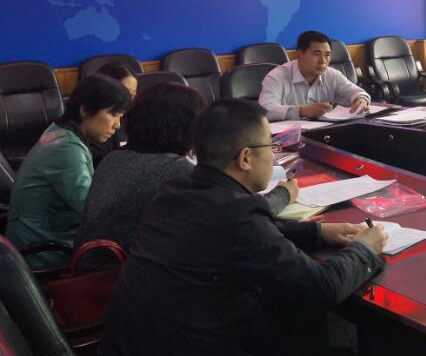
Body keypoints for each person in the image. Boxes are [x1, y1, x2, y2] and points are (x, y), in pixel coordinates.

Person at [98, 98, 387, 356]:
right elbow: (323, 286)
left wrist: (318, 232)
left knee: (287, 320)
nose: (274, 155)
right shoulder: (237, 214)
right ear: (246, 157)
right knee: (305, 342)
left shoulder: (176, 191)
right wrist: (366, 249)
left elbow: (232, 232)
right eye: (271, 147)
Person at [74, 83, 299, 272]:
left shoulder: (114, 157)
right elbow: (238, 217)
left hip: (87, 271)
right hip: (116, 277)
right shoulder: (175, 171)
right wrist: (284, 194)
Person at [5, 75, 131, 266]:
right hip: (43, 252)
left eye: (120, 117)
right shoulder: (66, 149)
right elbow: (93, 211)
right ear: (85, 110)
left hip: (45, 239)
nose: (117, 125)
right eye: (113, 115)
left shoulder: (60, 132)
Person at [259, 30, 370, 121]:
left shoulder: (332, 74)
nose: (323, 61)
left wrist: (360, 100)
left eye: (327, 55)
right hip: (286, 136)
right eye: (317, 54)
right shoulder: (276, 77)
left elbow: (356, 92)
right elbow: (265, 109)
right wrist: (301, 111)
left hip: (322, 131)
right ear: (299, 54)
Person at [89, 61, 138, 167]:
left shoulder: (133, 117)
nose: (129, 100)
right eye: (125, 93)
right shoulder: (94, 126)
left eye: (133, 94)